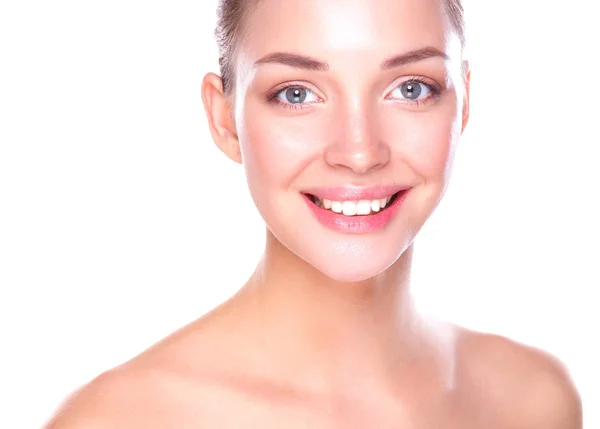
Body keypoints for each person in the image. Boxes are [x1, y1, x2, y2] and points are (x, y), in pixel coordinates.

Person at [45, 0, 582, 427]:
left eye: (411, 89)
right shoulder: (117, 421)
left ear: (462, 101)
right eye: (297, 93)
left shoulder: (535, 402)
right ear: (224, 120)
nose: (358, 151)